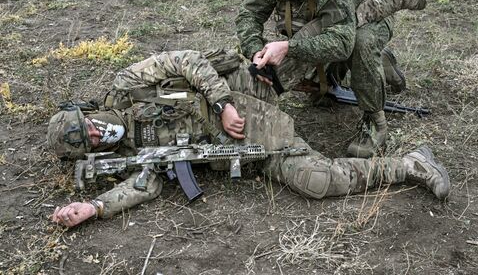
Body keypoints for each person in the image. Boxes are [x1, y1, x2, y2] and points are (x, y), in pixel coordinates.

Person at [48, 49, 450, 228]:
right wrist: (96, 206)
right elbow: (144, 186)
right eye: (93, 141)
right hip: (247, 143)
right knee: (318, 182)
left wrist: (222, 102)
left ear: (87, 112)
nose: (101, 134)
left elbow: (186, 60)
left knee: (303, 51)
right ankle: (412, 164)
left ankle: (370, 53)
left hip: (240, 88)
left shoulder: (127, 87)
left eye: (92, 126)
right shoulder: (132, 152)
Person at [235, 0, 431, 158]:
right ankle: (402, 2)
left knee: (361, 43)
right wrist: (255, 49)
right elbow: (249, 13)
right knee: (299, 52)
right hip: (329, 20)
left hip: (370, 20)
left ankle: (375, 123)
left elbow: (341, 43)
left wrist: (289, 47)